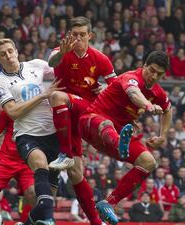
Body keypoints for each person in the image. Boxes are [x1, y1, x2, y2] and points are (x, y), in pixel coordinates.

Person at [79, 51, 172, 224]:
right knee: (106, 124)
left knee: (149, 162)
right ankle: (118, 143)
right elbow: (133, 93)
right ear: (144, 65)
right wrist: (147, 105)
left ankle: (108, 203)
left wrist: (163, 136)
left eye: (159, 74)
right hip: (91, 122)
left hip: (118, 132)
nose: (154, 76)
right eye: (151, 70)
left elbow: (168, 110)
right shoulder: (131, 77)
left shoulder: (158, 92)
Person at [48, 16, 116, 225]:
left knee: (56, 96)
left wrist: (106, 88)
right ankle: (96, 222)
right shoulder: (60, 52)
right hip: (66, 118)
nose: (77, 38)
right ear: (69, 35)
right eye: (74, 34)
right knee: (76, 173)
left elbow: (117, 87)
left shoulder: (101, 59)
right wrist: (63, 52)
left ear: (90, 36)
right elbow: (52, 63)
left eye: (82, 35)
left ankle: (66, 154)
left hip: (86, 109)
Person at [0, 38, 62, 225]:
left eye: (10, 51)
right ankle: (49, 221)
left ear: (16, 50)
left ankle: (33, 222)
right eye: (3, 54)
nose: (8, 56)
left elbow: (62, 71)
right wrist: (43, 95)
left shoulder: (37, 65)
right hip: (27, 135)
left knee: (46, 199)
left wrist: (63, 53)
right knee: (40, 166)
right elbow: (13, 112)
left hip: (53, 133)